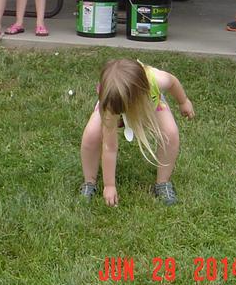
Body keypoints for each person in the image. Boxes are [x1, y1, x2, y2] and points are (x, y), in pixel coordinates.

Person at [79, 58, 194, 207]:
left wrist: (183, 101)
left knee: (170, 133)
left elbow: (173, 82)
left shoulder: (156, 80)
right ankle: (89, 181)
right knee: (91, 135)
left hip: (149, 104)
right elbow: (110, 147)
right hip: (114, 105)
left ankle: (163, 183)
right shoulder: (112, 101)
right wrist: (109, 185)